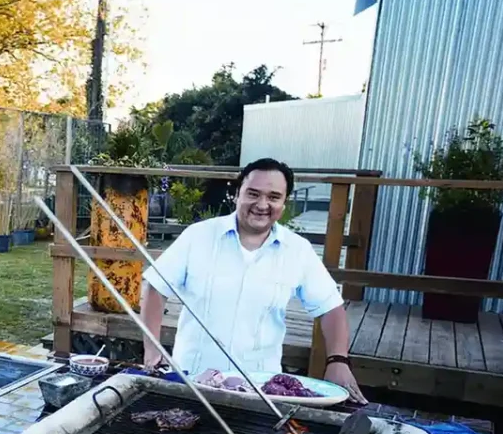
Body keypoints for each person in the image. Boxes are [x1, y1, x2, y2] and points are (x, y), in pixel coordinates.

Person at [139, 158, 367, 404]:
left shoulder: (297, 250)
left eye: (273, 197)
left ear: (284, 202)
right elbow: (156, 287)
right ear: (237, 194)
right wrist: (152, 348)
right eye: (253, 194)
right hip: (192, 382)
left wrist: (338, 360)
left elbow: (330, 307)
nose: (262, 204)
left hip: (261, 391)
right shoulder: (198, 236)